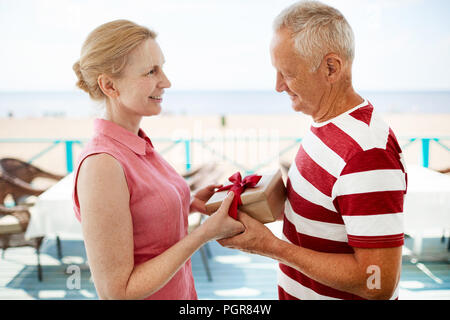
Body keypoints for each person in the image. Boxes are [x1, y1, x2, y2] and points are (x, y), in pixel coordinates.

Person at [219, 1, 407, 300]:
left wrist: (271, 247)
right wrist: (256, 201)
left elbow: (378, 283)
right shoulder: (325, 124)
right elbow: (326, 216)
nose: (278, 86)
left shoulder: (366, 153)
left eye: (288, 74)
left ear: (331, 68)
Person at [72, 19, 244, 300]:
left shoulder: (138, 144)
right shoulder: (102, 164)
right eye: (151, 71)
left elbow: (142, 219)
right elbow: (117, 292)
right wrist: (203, 235)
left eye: (162, 68)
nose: (166, 81)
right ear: (109, 85)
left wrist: (187, 203)